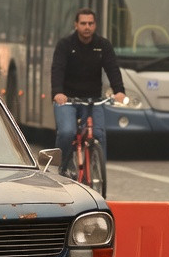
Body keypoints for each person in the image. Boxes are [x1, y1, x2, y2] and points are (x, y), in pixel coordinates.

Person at [49, 8, 127, 161]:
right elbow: (57, 69)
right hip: (67, 100)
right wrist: (58, 92)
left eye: (90, 23)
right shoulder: (65, 45)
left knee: (98, 134)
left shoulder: (103, 45)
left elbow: (112, 69)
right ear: (76, 25)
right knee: (66, 132)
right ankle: (59, 167)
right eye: (83, 23)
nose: (87, 27)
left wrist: (119, 91)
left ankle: (97, 172)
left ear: (95, 25)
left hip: (93, 100)